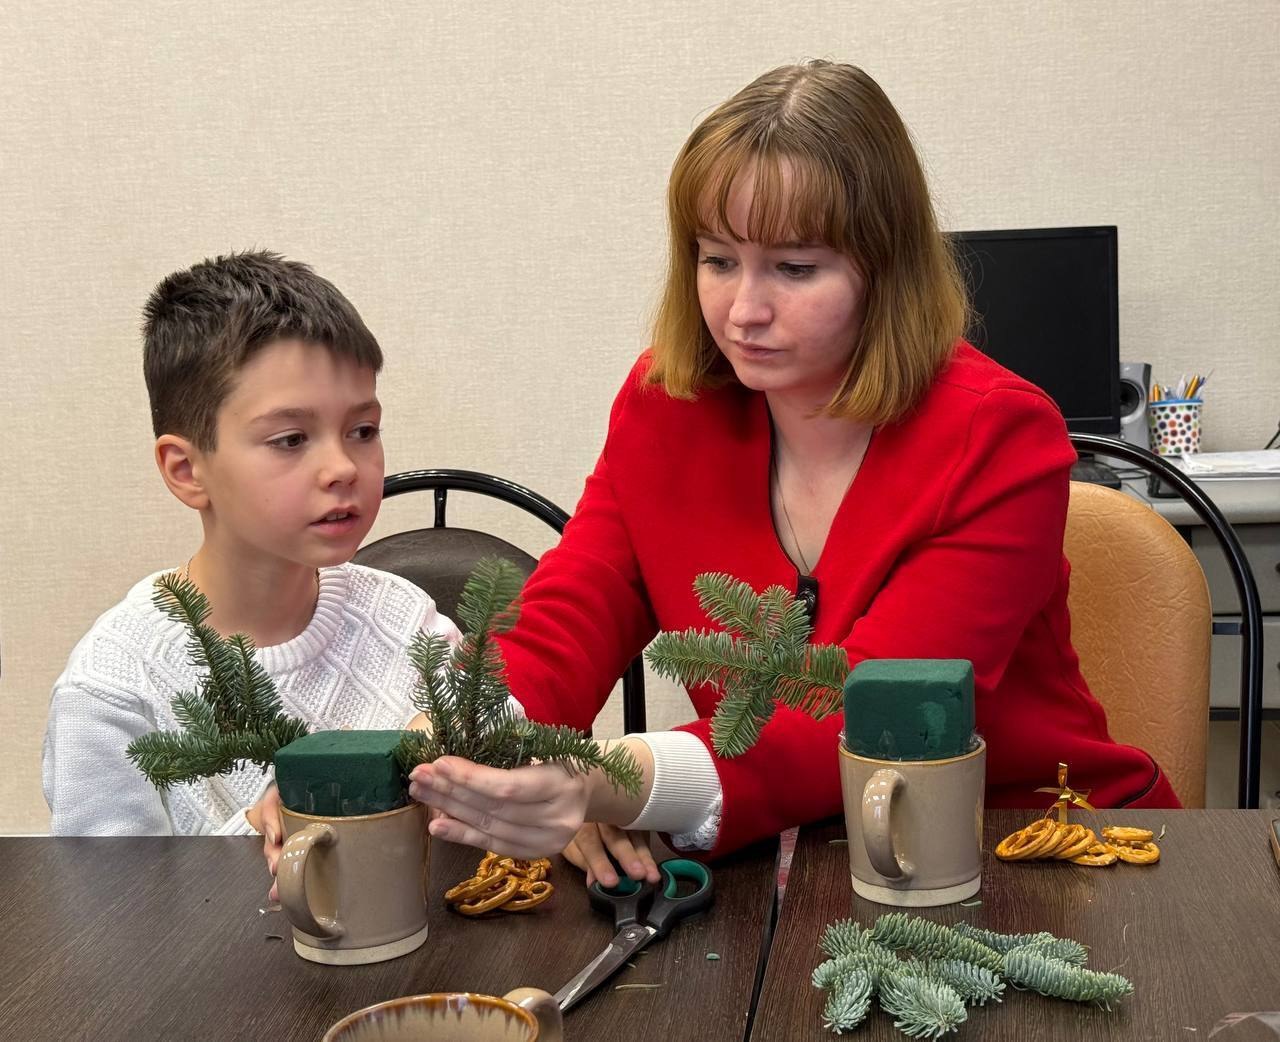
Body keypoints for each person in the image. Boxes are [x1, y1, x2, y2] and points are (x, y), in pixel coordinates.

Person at [255, 60, 1181, 890]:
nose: (743, 310)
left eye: (793, 267)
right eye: (716, 260)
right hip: (776, 865)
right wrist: (442, 753)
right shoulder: (666, 407)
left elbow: (872, 710)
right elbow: (566, 618)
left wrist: (612, 784)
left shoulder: (1000, 434)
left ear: (886, 270)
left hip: (1031, 846)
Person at [42, 251, 458, 836]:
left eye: (362, 431)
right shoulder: (114, 688)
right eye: (290, 439)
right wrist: (259, 834)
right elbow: (112, 914)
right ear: (187, 471)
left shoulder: (404, 618)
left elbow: (510, 761)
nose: (342, 466)